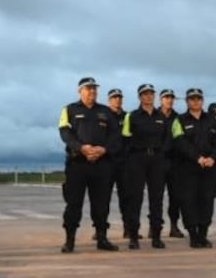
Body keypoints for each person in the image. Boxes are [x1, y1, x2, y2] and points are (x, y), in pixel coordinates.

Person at [58, 77, 120, 253]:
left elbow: (115, 135)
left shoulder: (106, 111)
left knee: (101, 204)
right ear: (80, 91)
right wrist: (81, 148)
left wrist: (103, 149)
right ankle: (69, 241)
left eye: (94, 88)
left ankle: (102, 238)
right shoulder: (69, 109)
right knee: (73, 204)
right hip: (77, 163)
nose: (92, 91)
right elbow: (64, 133)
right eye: (88, 88)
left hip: (101, 164)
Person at [171, 88, 216, 248]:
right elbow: (180, 142)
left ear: (202, 101)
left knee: (207, 200)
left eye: (198, 99)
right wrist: (197, 157)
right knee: (189, 201)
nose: (195, 101)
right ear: (187, 101)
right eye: (192, 99)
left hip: (209, 167)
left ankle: (203, 234)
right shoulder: (179, 120)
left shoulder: (213, 120)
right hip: (188, 168)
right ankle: (193, 234)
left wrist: (212, 158)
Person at [122, 84, 168, 249]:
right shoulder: (132, 116)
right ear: (139, 97)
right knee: (135, 198)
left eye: (151, 94)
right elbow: (125, 138)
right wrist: (132, 157)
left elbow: (167, 138)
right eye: (145, 94)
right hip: (137, 159)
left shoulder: (161, 116)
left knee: (157, 199)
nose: (148, 97)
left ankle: (156, 235)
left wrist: (161, 154)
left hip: (156, 160)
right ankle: (133, 236)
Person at [158, 88, 185, 239]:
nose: (169, 100)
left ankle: (174, 226)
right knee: (157, 196)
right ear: (160, 100)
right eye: (166, 97)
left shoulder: (178, 118)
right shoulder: (153, 115)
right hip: (157, 161)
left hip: (175, 162)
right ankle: (155, 226)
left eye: (171, 98)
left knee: (176, 196)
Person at [105, 88, 128, 237]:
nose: (117, 100)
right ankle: (101, 229)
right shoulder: (103, 115)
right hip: (107, 162)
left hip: (124, 163)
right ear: (109, 100)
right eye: (114, 97)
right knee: (103, 197)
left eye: (119, 97)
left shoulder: (127, 117)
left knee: (126, 197)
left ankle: (128, 228)